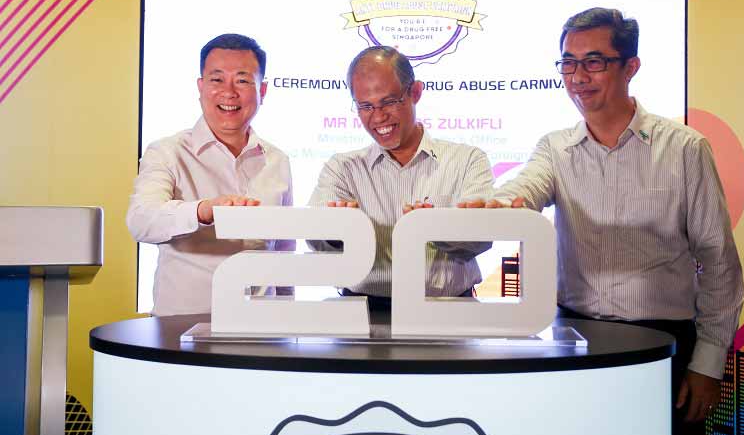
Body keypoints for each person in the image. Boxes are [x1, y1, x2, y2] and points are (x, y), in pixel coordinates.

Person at [484, 8, 744, 435]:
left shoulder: (684, 148)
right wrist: (490, 207)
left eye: (594, 61)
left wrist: (708, 364)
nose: (578, 76)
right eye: (568, 62)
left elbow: (719, 264)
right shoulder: (555, 148)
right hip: (574, 337)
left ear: (631, 67)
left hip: (664, 344)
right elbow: (523, 189)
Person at [308, 46, 493, 309]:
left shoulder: (467, 160)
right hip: (361, 314)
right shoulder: (343, 168)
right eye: (365, 106)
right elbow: (315, 236)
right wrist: (338, 232)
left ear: (415, 92)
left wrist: (435, 227)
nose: (379, 117)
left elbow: (482, 237)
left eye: (389, 102)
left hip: (450, 314)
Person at [127, 33, 294, 316]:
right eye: (217, 80)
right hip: (181, 330)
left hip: (265, 328)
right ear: (201, 86)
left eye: (242, 80)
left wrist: (288, 316)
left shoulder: (277, 160)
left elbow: (285, 251)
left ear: (262, 91)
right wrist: (204, 211)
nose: (229, 92)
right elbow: (141, 221)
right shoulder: (167, 152)